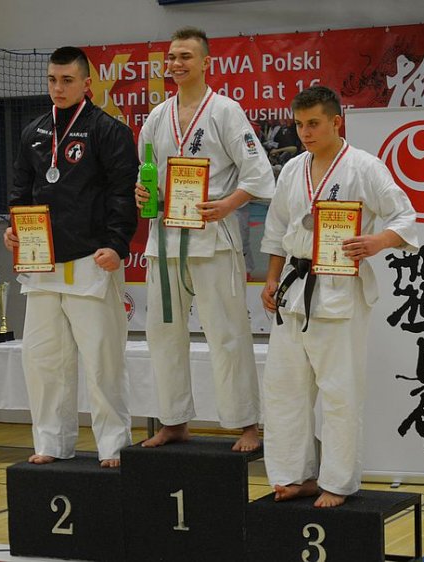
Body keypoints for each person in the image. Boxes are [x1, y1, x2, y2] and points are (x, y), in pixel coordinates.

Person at [260, 85, 418, 507]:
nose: (306, 132)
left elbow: (405, 216)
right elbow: (276, 229)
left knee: (339, 393)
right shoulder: (292, 169)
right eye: (299, 124)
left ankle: (337, 481)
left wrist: (377, 241)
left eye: (314, 124)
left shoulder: (364, 167)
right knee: (284, 390)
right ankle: (294, 475)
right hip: (294, 289)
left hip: (339, 289)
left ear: (336, 121)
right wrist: (271, 279)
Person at [135, 27, 274, 451]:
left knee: (227, 333)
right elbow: (147, 172)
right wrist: (142, 192)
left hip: (214, 236)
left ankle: (246, 424)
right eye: (172, 57)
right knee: (163, 334)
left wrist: (228, 204)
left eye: (186, 57)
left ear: (206, 62)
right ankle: (174, 420)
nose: (176, 64)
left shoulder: (226, 111)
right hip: (165, 237)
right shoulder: (157, 117)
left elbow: (258, 175)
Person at [4, 46, 139, 468]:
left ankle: (113, 445)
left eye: (66, 80)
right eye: (52, 80)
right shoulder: (33, 132)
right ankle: (51, 442)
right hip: (42, 266)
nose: (58, 88)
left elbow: (122, 193)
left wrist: (118, 244)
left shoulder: (109, 131)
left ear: (86, 83)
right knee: (43, 361)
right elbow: (21, 191)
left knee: (103, 362)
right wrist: (14, 228)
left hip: (91, 261)